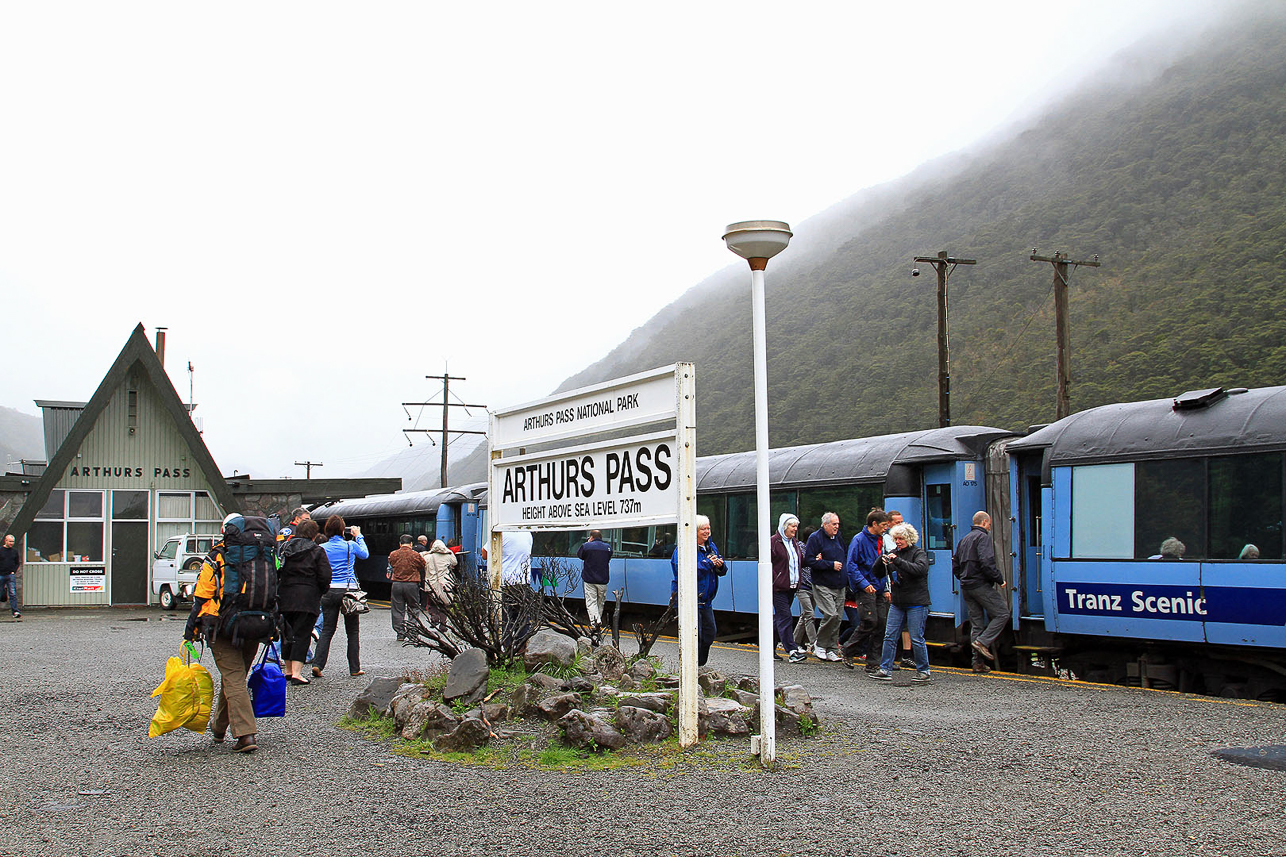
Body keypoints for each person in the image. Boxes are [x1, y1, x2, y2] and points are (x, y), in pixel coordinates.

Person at [182, 515, 260, 752]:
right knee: (234, 678)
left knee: (233, 677)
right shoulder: (264, 555)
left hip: (222, 625)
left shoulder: (218, 556)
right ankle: (218, 727)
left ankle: (246, 734)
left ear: (226, 531)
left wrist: (191, 629)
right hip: (257, 624)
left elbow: (203, 594)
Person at [869, 523, 932, 683]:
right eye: (896, 539)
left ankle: (923, 671)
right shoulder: (893, 553)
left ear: (909, 539)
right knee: (889, 636)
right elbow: (876, 573)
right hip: (898, 602)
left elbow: (919, 570)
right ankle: (885, 669)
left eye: (901, 539)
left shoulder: (918, 553)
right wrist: (880, 561)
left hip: (917, 602)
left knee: (916, 637)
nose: (898, 542)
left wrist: (897, 561)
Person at [953, 511, 1011, 672]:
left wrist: (963, 578)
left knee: (977, 623)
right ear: (985, 522)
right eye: (990, 524)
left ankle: (977, 663)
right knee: (1002, 613)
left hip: (966, 586)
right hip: (979, 584)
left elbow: (955, 565)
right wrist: (999, 579)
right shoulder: (982, 538)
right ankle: (983, 642)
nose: (989, 527)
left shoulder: (964, 539)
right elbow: (987, 562)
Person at [313, 515, 369, 678]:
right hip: (348, 591)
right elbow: (365, 554)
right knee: (352, 631)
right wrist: (358, 536)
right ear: (342, 530)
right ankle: (354, 667)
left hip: (329, 590)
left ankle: (318, 664)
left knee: (327, 629)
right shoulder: (351, 545)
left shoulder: (321, 548)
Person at [276, 520, 331, 684]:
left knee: (287, 633)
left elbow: (278, 569)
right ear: (314, 535)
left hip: (285, 594)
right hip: (307, 596)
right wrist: (321, 590)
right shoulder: (317, 550)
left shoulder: (285, 548)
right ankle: (297, 674)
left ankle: (287, 670)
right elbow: (325, 575)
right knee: (302, 634)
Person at [670, 514, 726, 667]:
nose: (707, 532)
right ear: (694, 531)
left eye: (708, 528)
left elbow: (722, 570)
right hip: (689, 601)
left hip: (706, 601)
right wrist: (708, 563)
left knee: (709, 634)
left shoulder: (711, 547)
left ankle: (699, 665)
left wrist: (720, 565)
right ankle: (691, 668)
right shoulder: (683, 548)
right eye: (703, 529)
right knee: (695, 637)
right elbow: (684, 571)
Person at [841, 509, 892, 672]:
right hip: (865, 588)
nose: (886, 528)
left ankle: (873, 661)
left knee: (881, 624)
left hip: (878, 586)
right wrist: (863, 584)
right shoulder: (859, 540)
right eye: (884, 525)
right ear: (874, 524)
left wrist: (885, 587)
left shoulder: (882, 540)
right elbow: (852, 565)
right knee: (870, 621)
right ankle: (848, 649)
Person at [803, 512, 847, 662]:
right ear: (825, 524)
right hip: (822, 583)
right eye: (834, 524)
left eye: (838, 524)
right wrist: (830, 565)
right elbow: (809, 560)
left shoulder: (838, 537)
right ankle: (819, 645)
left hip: (840, 584)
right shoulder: (815, 538)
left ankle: (833, 649)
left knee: (838, 618)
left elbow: (844, 556)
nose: (837, 527)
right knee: (831, 614)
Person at [771, 514, 809, 663]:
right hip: (778, 587)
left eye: (796, 526)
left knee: (779, 618)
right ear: (784, 526)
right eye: (792, 526)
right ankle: (792, 651)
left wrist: (812, 560)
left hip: (791, 586)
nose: (795, 529)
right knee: (785, 616)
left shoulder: (794, 542)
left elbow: (798, 562)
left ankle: (769, 649)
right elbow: (768, 562)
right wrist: (774, 579)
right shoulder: (774, 542)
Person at [387, 534, 426, 642]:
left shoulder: (393, 554)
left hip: (397, 584)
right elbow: (422, 565)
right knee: (413, 608)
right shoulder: (415, 555)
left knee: (397, 609)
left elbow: (391, 563)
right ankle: (412, 632)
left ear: (400, 543)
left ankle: (400, 633)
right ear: (411, 544)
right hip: (412, 584)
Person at [577, 530, 613, 627]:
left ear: (591, 537)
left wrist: (587, 543)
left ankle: (595, 623)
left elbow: (580, 555)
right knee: (600, 603)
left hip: (589, 579)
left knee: (591, 602)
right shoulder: (608, 547)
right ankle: (597, 621)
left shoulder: (586, 546)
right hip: (603, 580)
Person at [422, 538, 458, 624]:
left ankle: (434, 617)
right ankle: (443, 624)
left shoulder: (427, 557)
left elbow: (421, 564)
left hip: (431, 584)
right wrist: (450, 552)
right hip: (445, 583)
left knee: (432, 603)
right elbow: (454, 563)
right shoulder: (448, 555)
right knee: (445, 604)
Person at [0, 533, 22, 620]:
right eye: (10, 541)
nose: (11, 543)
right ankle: (3, 594)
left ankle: (15, 611)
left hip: (10, 575)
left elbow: (17, 562)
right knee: (1, 593)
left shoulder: (14, 551)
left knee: (13, 593)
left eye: (13, 542)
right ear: (5, 541)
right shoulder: (1, 550)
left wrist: (13, 571)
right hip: (1, 574)